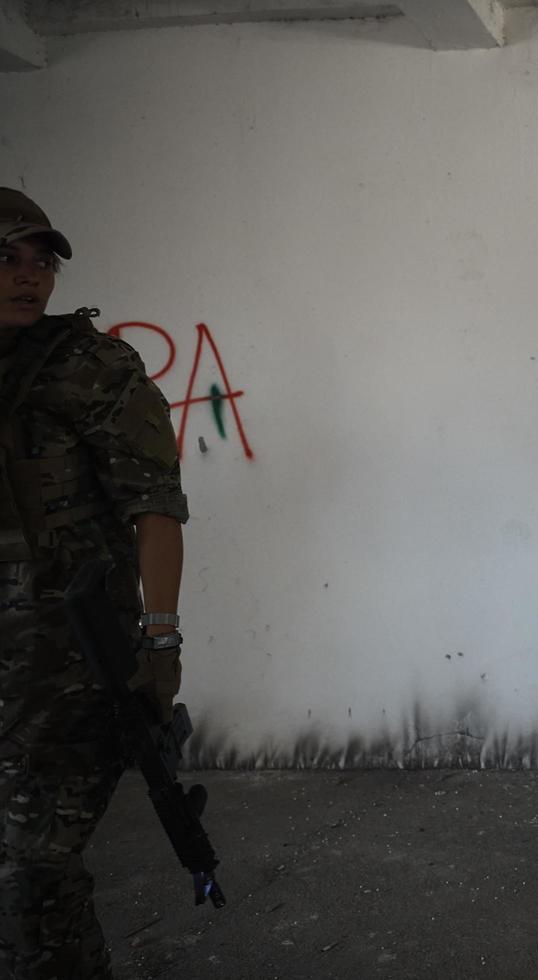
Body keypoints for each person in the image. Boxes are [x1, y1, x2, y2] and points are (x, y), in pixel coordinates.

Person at [0, 187, 189, 977]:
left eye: (41, 260)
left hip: (68, 664)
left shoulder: (95, 367)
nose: (29, 276)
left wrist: (159, 635)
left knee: (31, 867)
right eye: (7, 258)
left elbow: (155, 505)